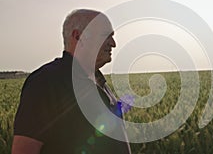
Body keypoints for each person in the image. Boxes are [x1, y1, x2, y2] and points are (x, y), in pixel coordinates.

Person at [12, 9, 131, 154]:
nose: (113, 44)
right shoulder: (46, 82)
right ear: (78, 36)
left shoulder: (99, 80)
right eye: (106, 36)